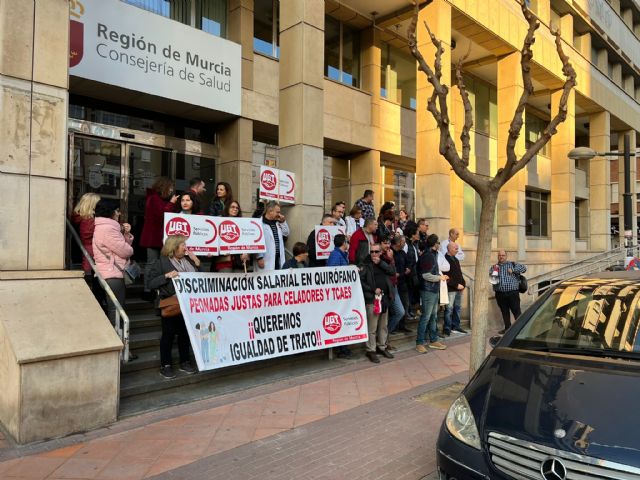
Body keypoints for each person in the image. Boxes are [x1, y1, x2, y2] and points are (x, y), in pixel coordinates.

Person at [148, 235, 200, 379]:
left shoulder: (189, 261)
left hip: (188, 304)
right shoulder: (161, 263)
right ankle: (166, 365)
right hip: (172, 304)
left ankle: (185, 361)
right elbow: (150, 283)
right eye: (183, 245)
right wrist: (166, 276)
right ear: (174, 247)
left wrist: (196, 262)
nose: (185, 248)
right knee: (168, 335)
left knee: (185, 334)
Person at [92, 200, 134, 328]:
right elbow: (126, 250)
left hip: (110, 271)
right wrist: (129, 248)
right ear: (110, 212)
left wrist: (126, 234)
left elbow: (118, 248)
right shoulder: (108, 228)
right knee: (116, 310)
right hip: (112, 273)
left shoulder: (106, 227)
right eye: (117, 210)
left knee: (115, 308)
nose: (119, 213)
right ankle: (119, 340)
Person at [140, 177, 179, 298]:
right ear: (164, 187)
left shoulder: (159, 199)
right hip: (153, 237)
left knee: (160, 264)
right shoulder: (153, 199)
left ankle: (157, 289)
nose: (172, 190)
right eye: (170, 187)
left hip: (160, 237)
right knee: (151, 264)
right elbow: (161, 214)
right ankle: (147, 290)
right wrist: (171, 203)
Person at [359, 244, 395, 363]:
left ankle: (382, 347)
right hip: (372, 299)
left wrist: (380, 262)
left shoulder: (383, 262)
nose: (374, 254)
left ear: (380, 252)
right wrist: (372, 289)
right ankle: (371, 350)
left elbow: (392, 272)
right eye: (372, 251)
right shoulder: (365, 264)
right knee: (372, 327)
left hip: (384, 299)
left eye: (376, 251)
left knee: (383, 325)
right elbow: (361, 281)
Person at [416, 234, 448, 353]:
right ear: (435, 244)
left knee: (433, 316)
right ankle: (419, 342)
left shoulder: (431, 254)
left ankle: (433, 340)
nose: (439, 245)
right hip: (428, 290)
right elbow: (426, 275)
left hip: (433, 290)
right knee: (426, 316)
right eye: (438, 242)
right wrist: (440, 278)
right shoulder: (428, 256)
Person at [71, 193, 105, 306]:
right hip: (92, 259)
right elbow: (89, 238)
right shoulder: (89, 220)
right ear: (92, 205)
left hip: (86, 259)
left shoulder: (81, 218)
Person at [490, 250, 527, 334]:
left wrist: (513, 270)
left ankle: (520, 330)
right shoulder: (494, 267)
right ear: (497, 256)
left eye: (503, 255)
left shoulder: (512, 264)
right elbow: (492, 281)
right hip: (500, 294)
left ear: (506, 256)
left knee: (516, 311)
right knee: (504, 311)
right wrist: (494, 275)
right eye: (499, 255)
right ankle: (507, 328)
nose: (501, 257)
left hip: (512, 293)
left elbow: (524, 268)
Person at [212, 200, 249, 272]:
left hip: (239, 261)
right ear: (227, 208)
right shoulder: (219, 222)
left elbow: (246, 240)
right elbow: (215, 240)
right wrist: (220, 250)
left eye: (237, 208)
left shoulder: (242, 223)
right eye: (232, 207)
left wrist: (246, 252)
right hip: (224, 261)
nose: (235, 209)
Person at [254, 201, 289, 272]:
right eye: (277, 212)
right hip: (265, 259)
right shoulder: (259, 223)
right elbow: (255, 240)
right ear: (270, 211)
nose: (279, 214)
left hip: (277, 259)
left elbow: (286, 233)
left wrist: (283, 222)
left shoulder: (277, 222)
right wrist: (259, 257)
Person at [389, 235, 412, 334]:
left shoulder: (402, 252)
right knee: (395, 308)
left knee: (405, 304)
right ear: (398, 243)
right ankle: (392, 327)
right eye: (403, 242)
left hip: (403, 282)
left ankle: (402, 325)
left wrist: (408, 268)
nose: (405, 244)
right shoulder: (390, 252)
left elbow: (408, 262)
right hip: (394, 283)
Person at [444, 242, 467, 336]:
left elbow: (460, 274)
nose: (457, 250)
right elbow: (446, 276)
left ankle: (456, 326)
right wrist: (456, 285)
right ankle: (447, 328)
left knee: (457, 308)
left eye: (458, 248)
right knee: (449, 309)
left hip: (458, 288)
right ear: (449, 249)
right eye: (456, 248)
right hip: (450, 289)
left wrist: (463, 284)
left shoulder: (456, 259)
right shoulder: (445, 260)